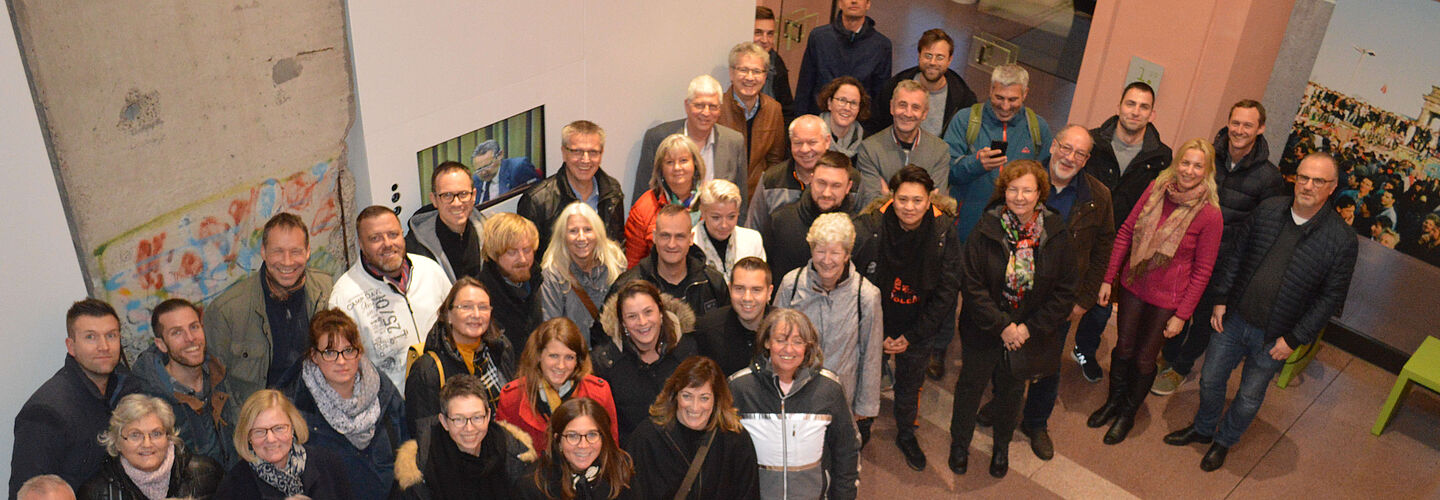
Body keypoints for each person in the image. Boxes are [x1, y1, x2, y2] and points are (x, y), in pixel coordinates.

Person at [1164, 153, 1356, 471]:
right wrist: (1221, 299)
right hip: (1235, 318)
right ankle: (1202, 428)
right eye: (1303, 177)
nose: (1307, 186)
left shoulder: (1342, 240)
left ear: (1332, 187)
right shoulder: (1268, 210)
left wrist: (1295, 339)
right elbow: (1236, 256)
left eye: (1318, 181)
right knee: (1210, 378)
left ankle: (1224, 442)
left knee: (1250, 394)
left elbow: (1330, 299)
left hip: (1277, 336)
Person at [1088, 138, 1223, 445]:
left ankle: (1127, 414)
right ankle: (1113, 402)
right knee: (1123, 348)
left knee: (1145, 359)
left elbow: (1203, 271)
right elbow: (1125, 233)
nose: (1189, 170)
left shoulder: (1210, 214)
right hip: (1134, 284)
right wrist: (1108, 278)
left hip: (1168, 300)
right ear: (1177, 163)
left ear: (1208, 171)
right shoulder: (1155, 190)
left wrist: (1182, 315)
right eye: (1185, 162)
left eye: (1197, 165)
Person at [993, 125, 1114, 460]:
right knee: (1006, 352)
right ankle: (1000, 405)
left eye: (1079, 153)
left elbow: (1104, 246)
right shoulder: (1024, 178)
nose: (1069, 157)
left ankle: (1035, 422)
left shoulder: (1098, 196)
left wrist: (1084, 299)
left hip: (1060, 299)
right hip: (1015, 288)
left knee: (1048, 363)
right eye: (1065, 147)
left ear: (1087, 159)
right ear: (1054, 145)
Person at [948, 160, 1075, 479]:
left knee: (1011, 393)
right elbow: (972, 283)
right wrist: (1002, 325)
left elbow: (1064, 291)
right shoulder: (986, 226)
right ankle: (959, 444)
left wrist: (1026, 329)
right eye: (1013, 189)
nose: (1019, 197)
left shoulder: (1056, 232)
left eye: (1027, 190)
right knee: (970, 387)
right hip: (984, 327)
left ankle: (1001, 446)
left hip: (1027, 333)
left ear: (1040, 193)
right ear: (1004, 191)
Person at [1153, 100, 1284, 397]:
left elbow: (1264, 230)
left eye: (1248, 125)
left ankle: (1181, 367)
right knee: (1177, 307)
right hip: (1188, 252)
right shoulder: (1209, 158)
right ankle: (1168, 356)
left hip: (1226, 263)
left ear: (1260, 129)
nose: (1239, 130)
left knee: (1203, 320)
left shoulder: (1269, 177)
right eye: (1235, 122)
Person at [938, 62, 1052, 377]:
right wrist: (977, 163)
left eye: (1012, 100)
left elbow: (1043, 180)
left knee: (996, 297)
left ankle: (985, 355)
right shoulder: (966, 120)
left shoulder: (1037, 128)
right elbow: (946, 167)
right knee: (950, 291)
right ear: (990, 90)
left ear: (1025, 95)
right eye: (999, 97)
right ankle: (939, 347)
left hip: (1012, 237)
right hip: (965, 228)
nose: (1004, 105)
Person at [850, 166, 961, 471]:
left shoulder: (943, 231)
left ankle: (906, 433)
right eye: (903, 200)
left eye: (917, 200)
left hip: (918, 326)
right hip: (875, 323)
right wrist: (878, 330)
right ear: (892, 197)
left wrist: (912, 335)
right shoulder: (869, 226)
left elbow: (947, 290)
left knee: (910, 385)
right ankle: (863, 425)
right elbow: (854, 284)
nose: (909, 207)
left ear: (930, 200)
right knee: (866, 378)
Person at [1075, 81, 1172, 382]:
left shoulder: (1162, 157)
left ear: (1152, 114)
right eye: (1130, 104)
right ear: (1119, 106)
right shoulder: (1091, 141)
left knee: (1101, 307)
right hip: (1081, 232)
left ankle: (1084, 350)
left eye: (1143, 107)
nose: (1135, 111)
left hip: (1120, 243)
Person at [10, 299, 142, 497]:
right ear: (71, 346)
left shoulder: (129, 387)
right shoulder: (45, 413)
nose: (104, 346)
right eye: (91, 337)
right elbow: (28, 494)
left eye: (111, 335)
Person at [772, 213, 883, 445]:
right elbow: (773, 342)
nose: (827, 260)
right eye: (821, 251)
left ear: (847, 254)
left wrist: (864, 406)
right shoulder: (791, 284)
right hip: (794, 394)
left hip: (841, 398)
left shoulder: (866, 295)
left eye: (835, 252)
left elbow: (871, 355)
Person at [730, 309, 860, 500]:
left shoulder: (829, 389)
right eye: (781, 340)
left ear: (808, 346)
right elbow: (723, 455)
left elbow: (847, 450)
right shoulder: (739, 387)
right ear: (767, 342)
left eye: (798, 342)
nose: (789, 349)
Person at [206, 212, 334, 404]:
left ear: (308, 252)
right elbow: (218, 389)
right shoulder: (226, 311)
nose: (287, 261)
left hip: (320, 411)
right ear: (263, 252)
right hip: (263, 422)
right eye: (278, 251)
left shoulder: (327, 289)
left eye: (295, 251)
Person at [281, 309, 408, 500]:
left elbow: (405, 453)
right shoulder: (296, 408)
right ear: (314, 356)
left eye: (348, 350)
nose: (341, 361)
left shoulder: (385, 395)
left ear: (359, 352)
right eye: (330, 352)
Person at [330, 206, 452, 389]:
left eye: (393, 234)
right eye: (375, 238)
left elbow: (457, 326)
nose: (387, 244)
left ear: (402, 234)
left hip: (447, 390)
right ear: (361, 245)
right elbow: (345, 370)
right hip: (395, 408)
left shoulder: (430, 270)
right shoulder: (344, 297)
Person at [625, 356, 760, 500]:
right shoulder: (647, 438)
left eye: (704, 398)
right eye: (687, 396)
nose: (695, 408)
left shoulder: (735, 440)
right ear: (675, 395)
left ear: (717, 399)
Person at [130, 298, 241, 467]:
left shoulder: (220, 374)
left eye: (194, 327)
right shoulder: (149, 400)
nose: (190, 338)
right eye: (177, 332)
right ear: (161, 345)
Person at [393, 374, 537, 499]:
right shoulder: (420, 469)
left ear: (488, 416)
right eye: (459, 419)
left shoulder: (513, 452)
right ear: (444, 422)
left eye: (477, 417)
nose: (469, 428)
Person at [405, 278, 517, 432]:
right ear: (448, 315)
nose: (476, 314)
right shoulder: (427, 370)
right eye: (466, 307)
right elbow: (425, 437)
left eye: (483, 307)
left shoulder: (501, 350)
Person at [592, 281, 699, 440]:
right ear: (623, 323)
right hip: (632, 457)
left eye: (648, 312)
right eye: (632, 316)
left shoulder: (688, 351)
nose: (642, 322)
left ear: (661, 312)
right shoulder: (606, 363)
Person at [496, 318, 619, 450]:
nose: (561, 366)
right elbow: (505, 457)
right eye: (553, 356)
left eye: (569, 357)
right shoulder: (512, 398)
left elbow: (611, 452)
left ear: (578, 360)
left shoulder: (598, 393)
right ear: (538, 356)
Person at [77, 394, 223, 499]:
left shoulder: (206, 473)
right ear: (117, 442)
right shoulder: (95, 493)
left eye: (156, 433)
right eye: (135, 435)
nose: (147, 444)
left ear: (169, 437)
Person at [214, 390, 352, 499]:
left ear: (292, 428)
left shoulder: (328, 464)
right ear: (248, 437)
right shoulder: (234, 486)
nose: (271, 439)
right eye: (259, 432)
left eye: (279, 428)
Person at [633, 75, 747, 205]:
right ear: (687, 106)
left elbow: (740, 201)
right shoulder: (658, 138)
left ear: (720, 109)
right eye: (699, 105)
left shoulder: (734, 142)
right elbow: (641, 197)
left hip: (717, 224)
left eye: (713, 106)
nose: (706, 112)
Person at [518, 120, 627, 249]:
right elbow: (528, 258)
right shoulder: (537, 201)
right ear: (564, 153)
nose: (585, 160)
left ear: (601, 154)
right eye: (577, 151)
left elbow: (618, 245)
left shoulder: (612, 191)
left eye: (593, 152)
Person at [612, 205, 729, 318]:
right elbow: (605, 334)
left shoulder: (713, 283)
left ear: (690, 239)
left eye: (680, 236)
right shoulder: (627, 285)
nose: (672, 244)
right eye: (665, 236)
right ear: (654, 237)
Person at [763, 151, 859, 280]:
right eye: (821, 183)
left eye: (836, 185)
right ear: (811, 180)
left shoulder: (859, 231)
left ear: (848, 187)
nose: (826, 193)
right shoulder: (780, 221)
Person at [539, 202, 628, 342]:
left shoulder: (615, 261)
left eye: (587, 230)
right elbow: (551, 329)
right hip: (573, 353)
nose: (581, 238)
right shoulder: (552, 274)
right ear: (562, 236)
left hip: (613, 350)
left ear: (598, 233)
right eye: (573, 231)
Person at [855, 80, 952, 206]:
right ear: (892, 107)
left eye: (915, 107)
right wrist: (920, 201)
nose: (908, 113)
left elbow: (936, 204)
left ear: (925, 113)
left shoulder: (939, 150)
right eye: (902, 105)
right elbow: (871, 204)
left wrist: (887, 197)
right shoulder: (869, 149)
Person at [516, 398, 634, 500]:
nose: (583, 445)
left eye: (592, 435)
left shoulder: (620, 470)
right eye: (572, 436)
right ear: (558, 440)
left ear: (603, 438)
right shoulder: (533, 486)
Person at [868, 28, 977, 138]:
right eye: (928, 55)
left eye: (940, 57)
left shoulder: (963, 99)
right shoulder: (894, 87)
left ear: (949, 60)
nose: (932, 62)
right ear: (919, 56)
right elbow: (875, 125)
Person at [793, 0, 892, 116]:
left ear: (868, 4)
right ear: (840, 3)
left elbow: (879, 98)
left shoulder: (881, 46)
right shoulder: (819, 38)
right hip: (819, 122)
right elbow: (804, 88)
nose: (854, 1)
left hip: (859, 125)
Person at [625, 134, 705, 267]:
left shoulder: (711, 201)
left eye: (683, 160)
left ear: (695, 164)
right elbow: (633, 264)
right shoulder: (643, 208)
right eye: (670, 162)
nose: (677, 168)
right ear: (660, 169)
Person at [720, 42, 788, 195]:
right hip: (721, 196)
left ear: (765, 76)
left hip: (757, 196)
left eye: (757, 71)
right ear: (731, 73)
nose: (750, 78)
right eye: (743, 70)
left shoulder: (774, 109)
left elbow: (775, 161)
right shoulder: (717, 107)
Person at [745, 115, 832, 233]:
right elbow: (752, 231)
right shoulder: (771, 180)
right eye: (798, 143)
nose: (805, 149)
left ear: (827, 141)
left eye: (812, 142)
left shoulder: (847, 179)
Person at [406, 161, 489, 281]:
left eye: (463, 194)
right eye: (447, 195)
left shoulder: (490, 234)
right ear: (434, 199)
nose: (457, 203)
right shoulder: (415, 251)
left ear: (474, 196)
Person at [476, 213, 545, 352]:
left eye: (527, 250)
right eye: (512, 252)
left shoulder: (538, 281)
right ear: (494, 254)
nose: (523, 259)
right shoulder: (481, 296)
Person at [694, 257, 773, 375]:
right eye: (739, 289)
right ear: (730, 289)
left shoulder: (785, 330)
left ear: (769, 292)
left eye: (756, 290)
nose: (747, 298)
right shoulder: (706, 330)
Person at [692, 180, 766, 277]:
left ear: (738, 212)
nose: (724, 225)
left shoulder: (752, 241)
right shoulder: (690, 243)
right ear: (703, 213)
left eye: (731, 217)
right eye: (716, 217)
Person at [754, 6, 794, 125]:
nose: (765, 40)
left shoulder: (777, 64)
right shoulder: (736, 59)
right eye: (758, 33)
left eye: (770, 34)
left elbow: (787, 111)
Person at [471, 139, 541, 204]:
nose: (483, 172)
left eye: (487, 165)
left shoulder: (518, 168)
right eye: (479, 169)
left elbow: (537, 195)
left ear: (500, 155)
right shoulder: (476, 179)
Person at [816, 77, 869, 158]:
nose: (847, 108)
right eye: (842, 100)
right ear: (829, 103)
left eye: (854, 103)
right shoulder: (811, 134)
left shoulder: (865, 143)